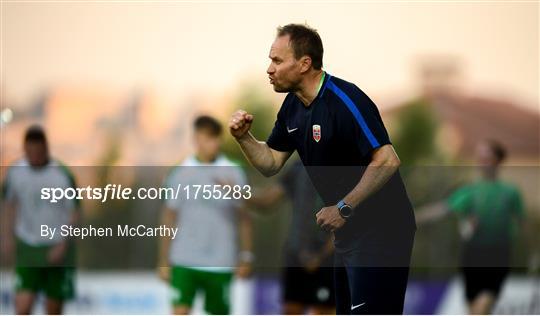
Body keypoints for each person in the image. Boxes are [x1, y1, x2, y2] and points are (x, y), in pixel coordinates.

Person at [229, 24, 416, 314]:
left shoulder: (345, 100)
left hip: (382, 230)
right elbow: (270, 162)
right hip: (348, 233)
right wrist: (243, 137)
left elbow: (388, 160)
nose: (269, 69)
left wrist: (342, 208)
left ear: (304, 64)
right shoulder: (292, 107)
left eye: (277, 61)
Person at [416, 140, 526, 314]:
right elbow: (442, 210)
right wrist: (410, 218)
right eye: (479, 156)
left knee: (484, 303)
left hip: (498, 253)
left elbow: (519, 223)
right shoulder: (470, 191)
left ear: (498, 160)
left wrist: (506, 233)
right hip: (472, 254)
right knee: (473, 307)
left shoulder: (510, 192)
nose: (481, 159)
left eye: (487, 156)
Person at [158, 115, 253, 315]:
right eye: (209, 137)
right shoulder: (180, 172)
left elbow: (244, 218)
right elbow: (168, 217)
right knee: (180, 311)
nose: (214, 143)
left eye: (217, 138)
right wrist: (164, 260)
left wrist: (246, 256)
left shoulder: (233, 171)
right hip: (184, 259)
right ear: (196, 138)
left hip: (220, 262)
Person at [1, 125, 79, 314]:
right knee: (23, 305)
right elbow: (8, 205)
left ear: (46, 148)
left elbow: (74, 212)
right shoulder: (15, 173)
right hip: (28, 246)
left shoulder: (61, 175)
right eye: (30, 151)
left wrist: (63, 244)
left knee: (53, 309)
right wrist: (6, 236)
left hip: (56, 247)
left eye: (38, 151)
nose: (34, 156)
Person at [248, 159, 335, 314]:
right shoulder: (299, 166)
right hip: (296, 255)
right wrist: (233, 191)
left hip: (329, 258)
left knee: (324, 311)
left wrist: (320, 256)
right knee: (291, 310)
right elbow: (267, 200)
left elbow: (349, 222)